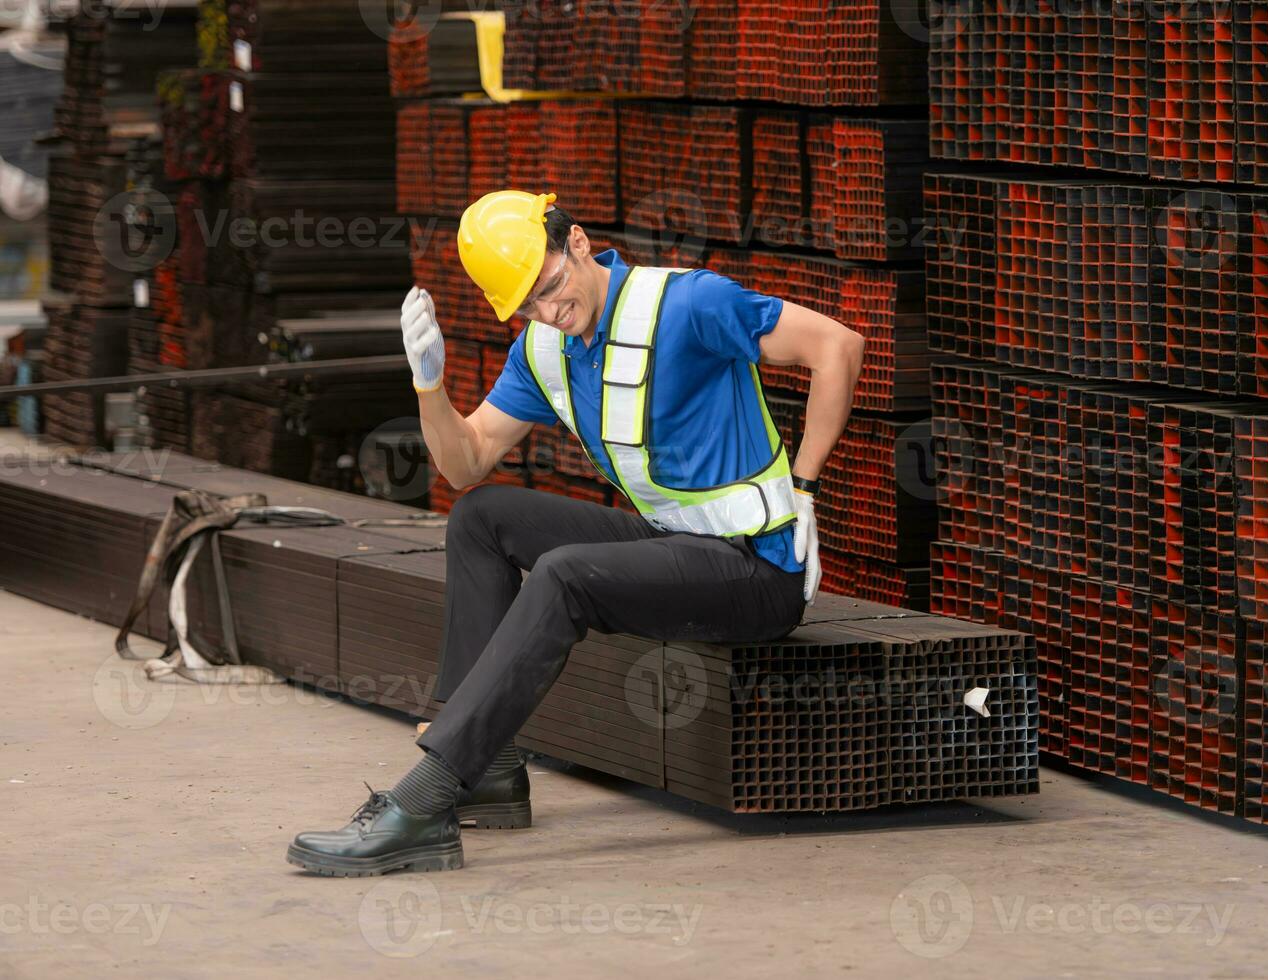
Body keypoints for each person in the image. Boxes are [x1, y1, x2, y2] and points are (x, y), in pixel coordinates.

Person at [286, 190, 864, 876]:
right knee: (481, 518)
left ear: (580, 244)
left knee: (564, 575)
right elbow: (466, 461)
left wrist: (804, 486)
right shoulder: (547, 350)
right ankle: (491, 770)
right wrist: (428, 387)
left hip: (759, 572)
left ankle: (426, 801)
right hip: (673, 546)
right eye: (529, 305)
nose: (550, 312)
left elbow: (838, 345)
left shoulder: (687, 305)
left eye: (552, 288)